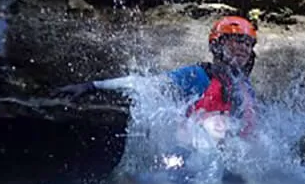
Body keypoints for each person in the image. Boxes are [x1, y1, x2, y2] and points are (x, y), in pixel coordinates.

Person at [54, 16, 258, 140]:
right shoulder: (196, 75)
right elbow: (144, 85)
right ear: (217, 45)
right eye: (237, 41)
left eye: (248, 43)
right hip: (192, 159)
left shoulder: (245, 88)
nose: (243, 48)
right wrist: (93, 86)